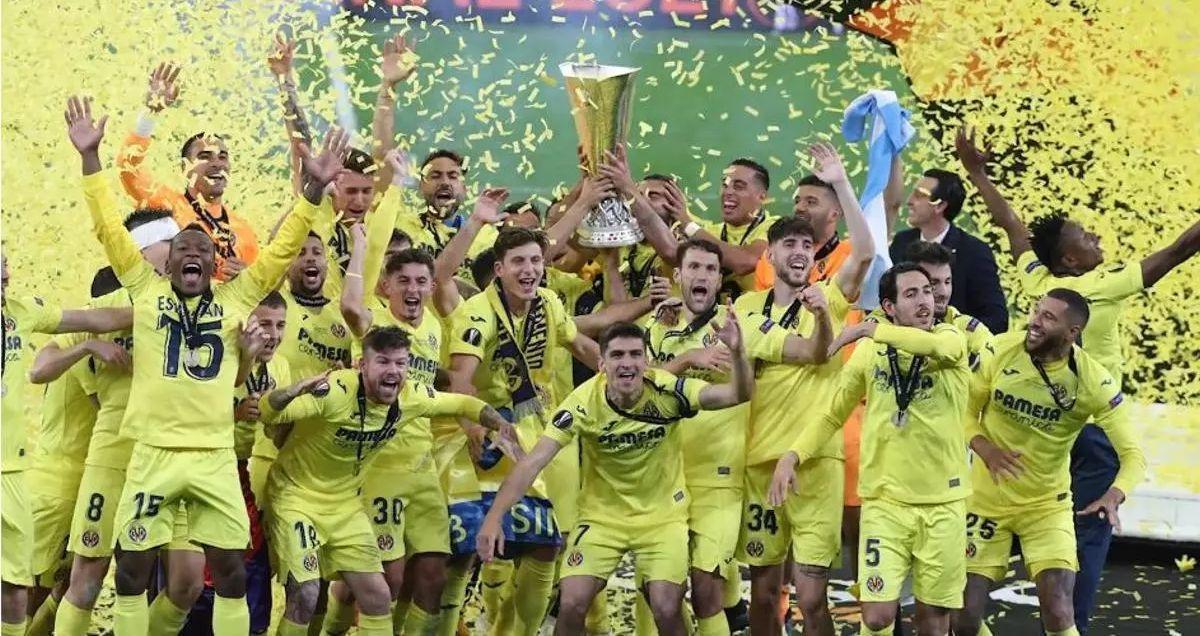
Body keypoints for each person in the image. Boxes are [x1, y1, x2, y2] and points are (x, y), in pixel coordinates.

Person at [66, 93, 343, 635]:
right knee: (132, 570)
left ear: (214, 263)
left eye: (201, 247)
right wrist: (90, 160)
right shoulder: (145, 292)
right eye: (182, 246)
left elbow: (283, 250)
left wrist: (311, 191)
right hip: (152, 453)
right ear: (168, 260)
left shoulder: (236, 300)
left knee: (232, 571)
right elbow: (107, 228)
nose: (191, 251)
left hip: (215, 455)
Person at [955, 127, 1200, 634]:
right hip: (1086, 425)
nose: (1097, 239)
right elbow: (1178, 251)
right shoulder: (1099, 286)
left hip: (1052, 424)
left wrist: (978, 174)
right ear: (1070, 260)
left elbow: (1015, 231)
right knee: (1086, 526)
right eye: (1086, 237)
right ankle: (1071, 624)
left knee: (1043, 523)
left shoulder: (1038, 281)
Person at [476, 316, 754, 636]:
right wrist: (494, 516)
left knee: (665, 606)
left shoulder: (668, 391)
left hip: (662, 518)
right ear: (601, 364)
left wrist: (738, 353)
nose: (627, 363)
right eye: (617, 355)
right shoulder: (583, 403)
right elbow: (533, 461)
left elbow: (737, 395)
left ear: (646, 362)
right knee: (572, 603)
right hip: (601, 519)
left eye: (636, 354)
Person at [260, 326, 512, 635]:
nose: (393, 371)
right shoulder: (336, 391)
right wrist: (293, 390)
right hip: (295, 498)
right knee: (308, 593)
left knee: (378, 596)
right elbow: (269, 414)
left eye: (401, 363)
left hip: (344, 506)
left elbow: (463, 403)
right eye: (383, 362)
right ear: (363, 365)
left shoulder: (411, 396)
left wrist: (499, 424)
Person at [769, 263, 972, 636]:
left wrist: (870, 329)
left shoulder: (951, 338)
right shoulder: (870, 354)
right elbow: (831, 415)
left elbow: (937, 347)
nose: (925, 301)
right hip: (884, 505)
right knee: (877, 616)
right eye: (911, 294)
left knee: (934, 619)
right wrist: (792, 455)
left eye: (927, 291)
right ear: (889, 306)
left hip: (944, 506)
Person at [646, 238, 834, 635]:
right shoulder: (657, 326)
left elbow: (812, 352)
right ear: (678, 275)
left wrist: (822, 321)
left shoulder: (742, 325)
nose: (702, 275)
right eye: (694, 267)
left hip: (720, 481)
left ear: (719, 279)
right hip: (663, 481)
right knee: (659, 595)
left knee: (705, 593)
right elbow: (634, 385)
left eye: (711, 269)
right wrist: (686, 360)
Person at [953, 289, 1145, 636]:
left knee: (1058, 610)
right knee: (963, 618)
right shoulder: (999, 350)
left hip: (1046, 507)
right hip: (983, 504)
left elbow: (1134, 456)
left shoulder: (1094, 381)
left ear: (1073, 333)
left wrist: (1115, 495)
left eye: (1048, 317)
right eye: (1036, 312)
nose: (1035, 323)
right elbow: (964, 411)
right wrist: (986, 449)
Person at [445, 226, 600, 635]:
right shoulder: (475, 314)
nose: (529, 270)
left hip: (545, 432)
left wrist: (619, 371)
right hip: (496, 435)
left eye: (535, 261)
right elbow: (460, 382)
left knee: (550, 545)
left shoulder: (548, 302)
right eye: (519, 262)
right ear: (499, 269)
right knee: (491, 549)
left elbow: (580, 344)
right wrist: (473, 433)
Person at [26, 211, 175, 636]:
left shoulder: (160, 315)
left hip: (110, 471)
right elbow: (43, 369)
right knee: (30, 591)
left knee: (74, 586)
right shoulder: (97, 322)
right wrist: (91, 343)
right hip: (63, 481)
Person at [732, 216, 872, 634]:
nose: (799, 251)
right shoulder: (746, 308)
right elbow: (814, 353)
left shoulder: (828, 297)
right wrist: (822, 324)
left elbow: (864, 251)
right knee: (763, 596)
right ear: (770, 254)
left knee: (812, 599)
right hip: (761, 463)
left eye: (807, 245)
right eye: (789, 243)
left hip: (816, 463)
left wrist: (840, 182)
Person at [1, 254, 133, 636]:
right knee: (31, 588)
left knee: (47, 587)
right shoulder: (84, 351)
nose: (8, 271)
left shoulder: (20, 313)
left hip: (68, 482)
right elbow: (42, 370)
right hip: (56, 485)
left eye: (8, 263)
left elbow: (101, 321)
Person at [116, 62, 258, 280]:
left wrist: (247, 279)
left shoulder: (244, 231)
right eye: (204, 157)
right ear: (185, 167)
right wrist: (151, 112)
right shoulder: (165, 205)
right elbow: (129, 168)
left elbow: (262, 289)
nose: (217, 163)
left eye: (223, 157)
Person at [888, 168, 1008, 334]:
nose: (909, 201)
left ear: (940, 206)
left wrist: (949, 339)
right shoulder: (902, 242)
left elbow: (997, 319)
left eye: (919, 195)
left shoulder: (974, 252)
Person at [669, 158, 777, 298]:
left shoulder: (777, 229)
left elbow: (746, 261)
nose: (728, 192)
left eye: (738, 186)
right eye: (725, 185)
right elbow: (670, 255)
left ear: (761, 197)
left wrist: (687, 224)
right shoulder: (709, 232)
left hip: (756, 318)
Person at [902, 241, 992, 365]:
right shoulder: (881, 324)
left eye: (947, 282)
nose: (944, 292)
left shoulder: (969, 330)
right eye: (933, 283)